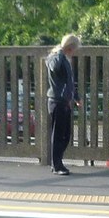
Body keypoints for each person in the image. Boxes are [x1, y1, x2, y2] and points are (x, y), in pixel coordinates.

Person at [45, 34, 80, 175]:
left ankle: (57, 162)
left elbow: (69, 83)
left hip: (64, 101)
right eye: (73, 49)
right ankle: (56, 164)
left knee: (66, 135)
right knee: (58, 134)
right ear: (69, 47)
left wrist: (76, 97)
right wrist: (60, 52)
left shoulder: (65, 60)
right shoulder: (56, 58)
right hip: (56, 101)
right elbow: (53, 67)